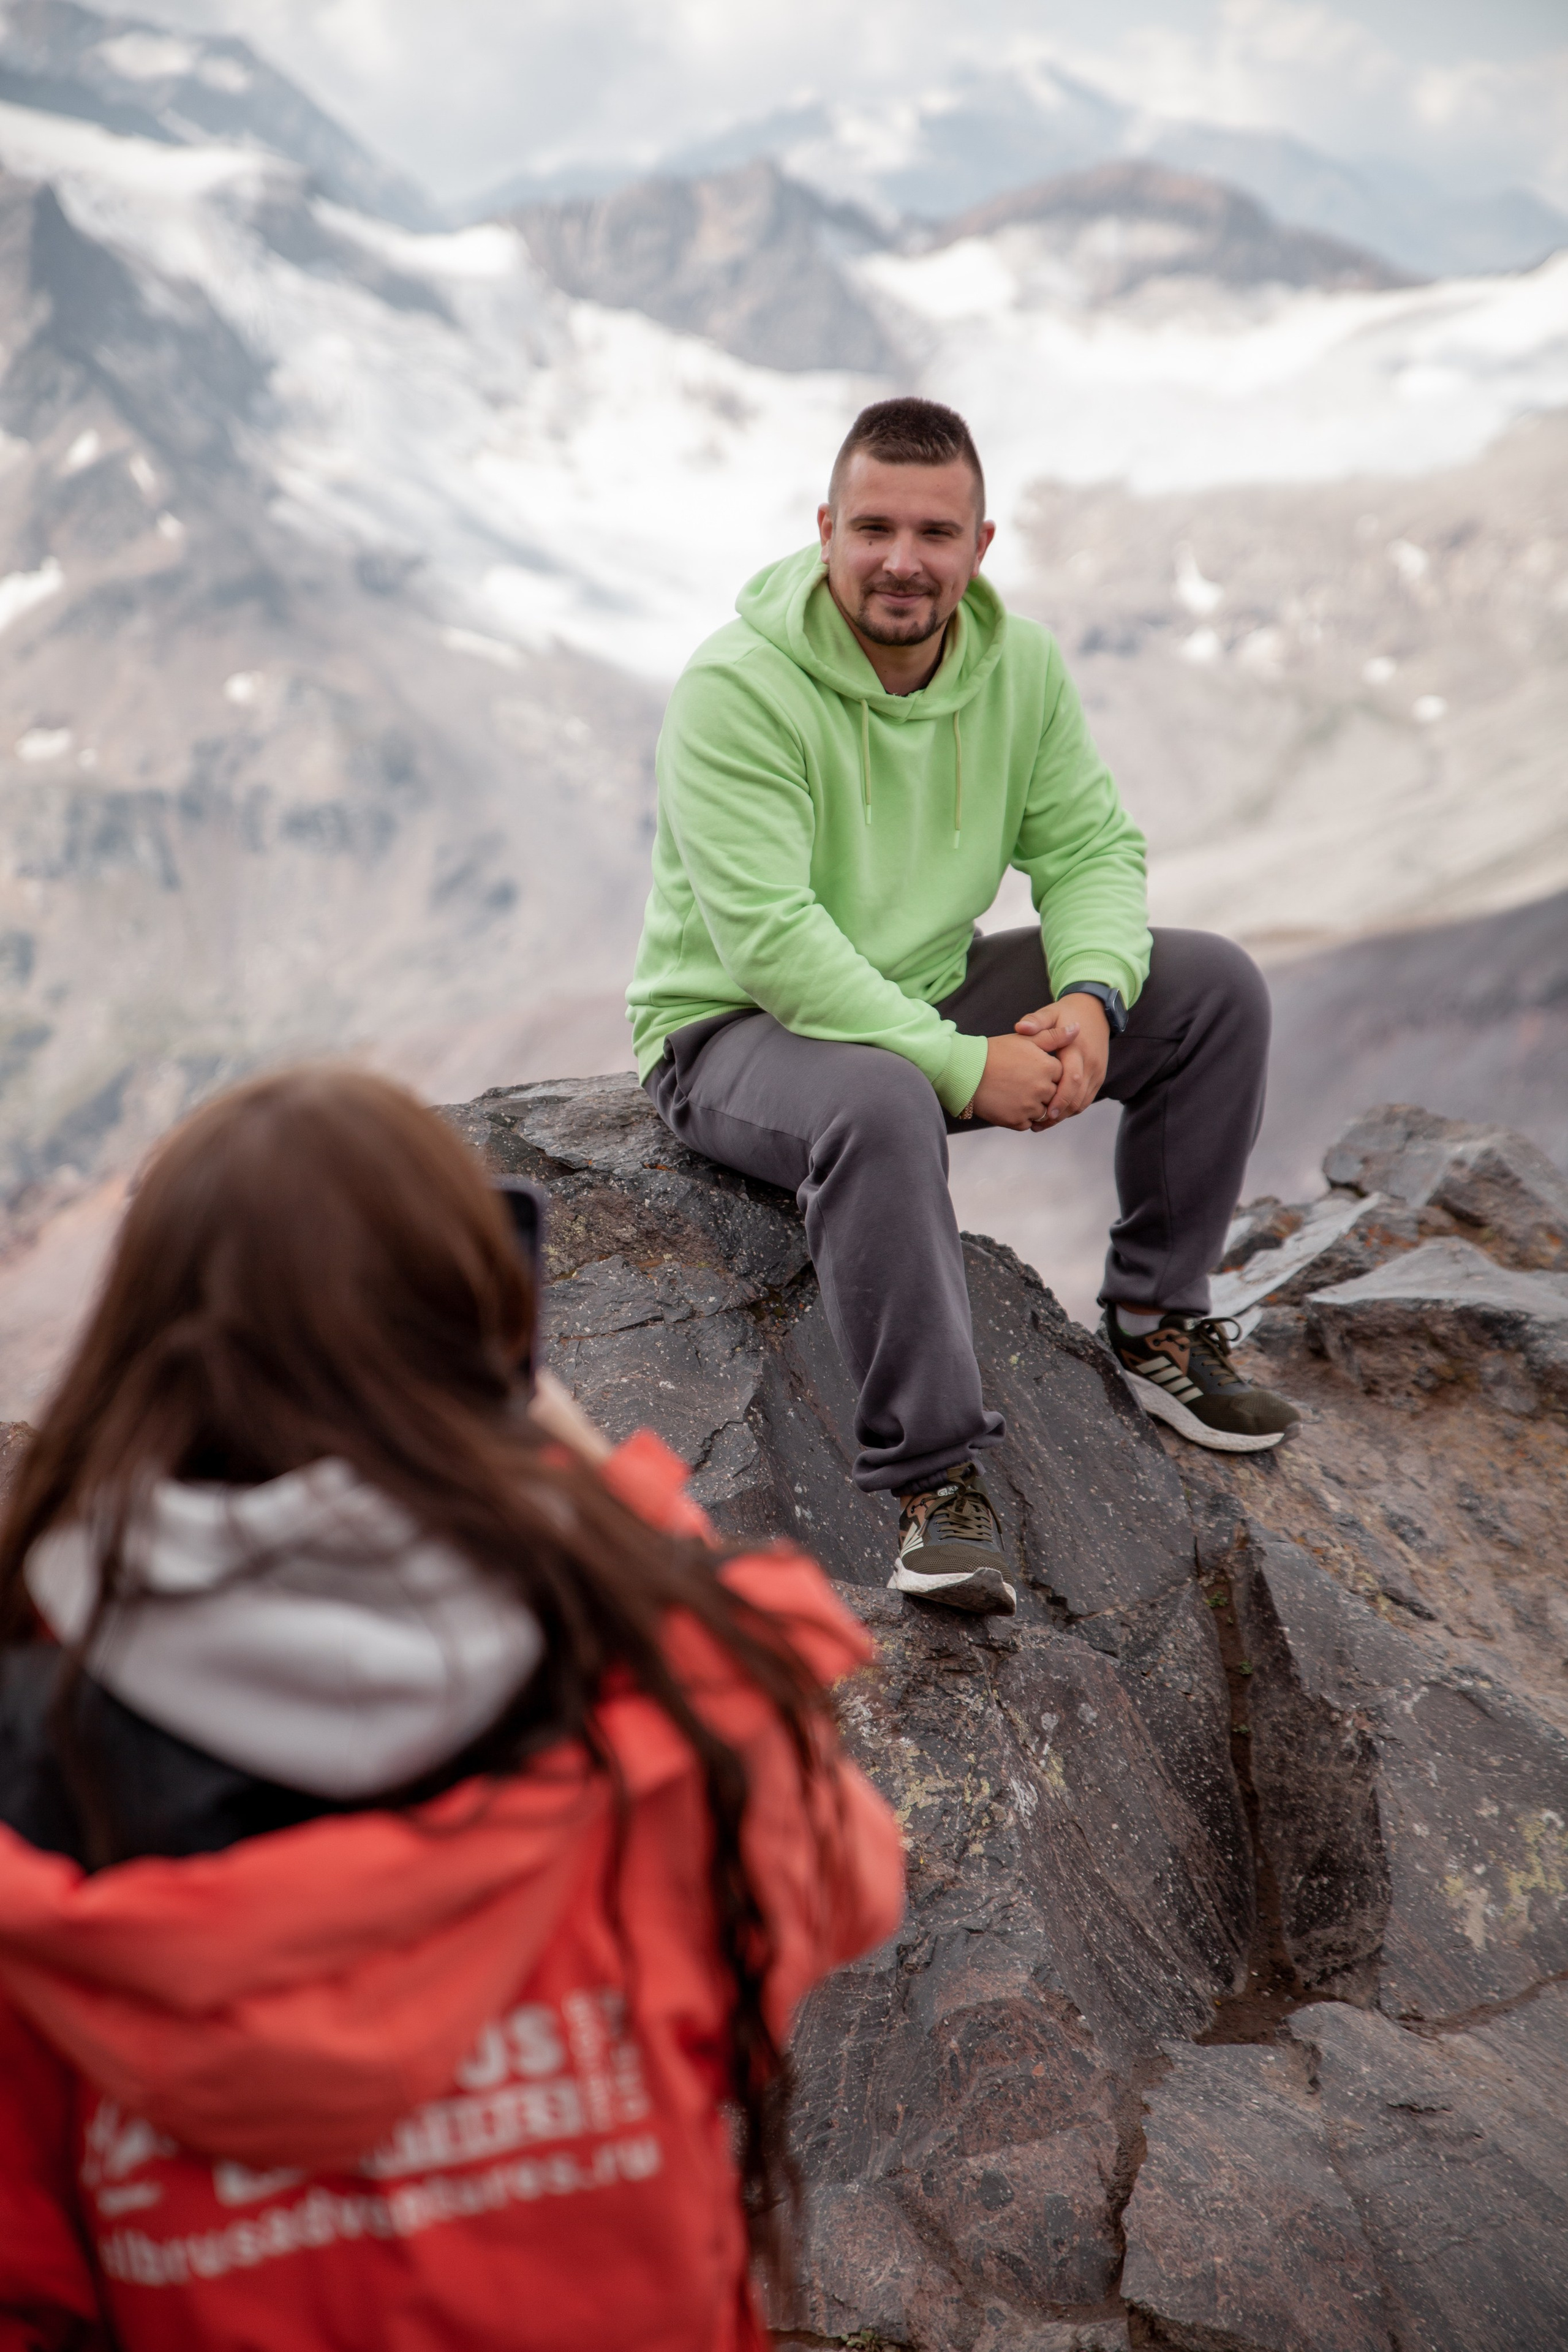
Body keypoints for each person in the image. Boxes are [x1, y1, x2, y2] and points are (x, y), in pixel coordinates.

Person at [0, 1068, 904, 2352]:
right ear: (484, 1349)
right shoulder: (660, 1712)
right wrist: (596, 1488)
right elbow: (851, 1872)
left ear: (140, 1354)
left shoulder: (35, 1773)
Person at [628, 395, 1300, 1618]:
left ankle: (1156, 1321)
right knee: (883, 1097)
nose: (902, 559)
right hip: (731, 1030)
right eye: (873, 526)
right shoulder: (738, 687)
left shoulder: (1017, 667)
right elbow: (773, 944)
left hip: (923, 987)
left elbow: (1091, 850)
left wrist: (1091, 998)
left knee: (1206, 990)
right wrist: (958, 1065)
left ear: (979, 546)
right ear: (824, 529)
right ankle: (934, 1487)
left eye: (934, 532)